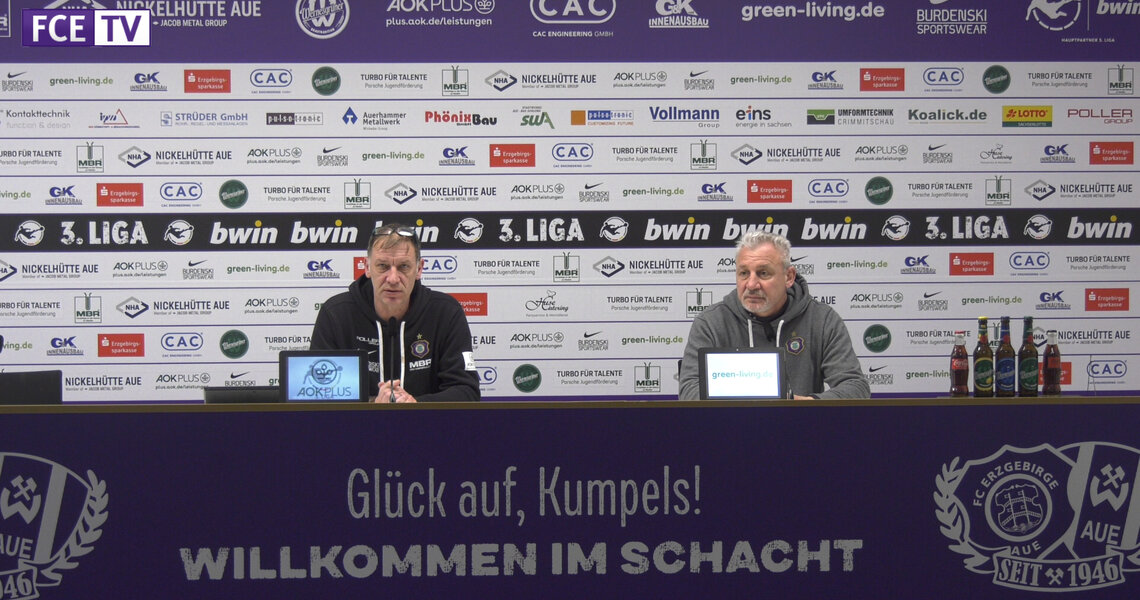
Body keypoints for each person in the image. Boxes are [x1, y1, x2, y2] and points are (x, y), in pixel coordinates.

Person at [679, 231, 869, 400]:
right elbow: (689, 391)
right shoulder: (711, 323)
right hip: (731, 426)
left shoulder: (822, 319)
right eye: (744, 273)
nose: (751, 284)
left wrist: (805, 405)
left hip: (801, 425)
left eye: (763, 273)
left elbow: (855, 387)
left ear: (789, 277)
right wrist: (747, 407)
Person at [310, 223, 480, 403]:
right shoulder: (336, 314)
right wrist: (373, 405)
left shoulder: (446, 313)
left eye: (404, 266)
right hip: (359, 422)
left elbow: (467, 392)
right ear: (367, 267)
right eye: (382, 266)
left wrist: (415, 405)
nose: (393, 279)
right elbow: (317, 393)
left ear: (419, 269)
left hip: (425, 421)